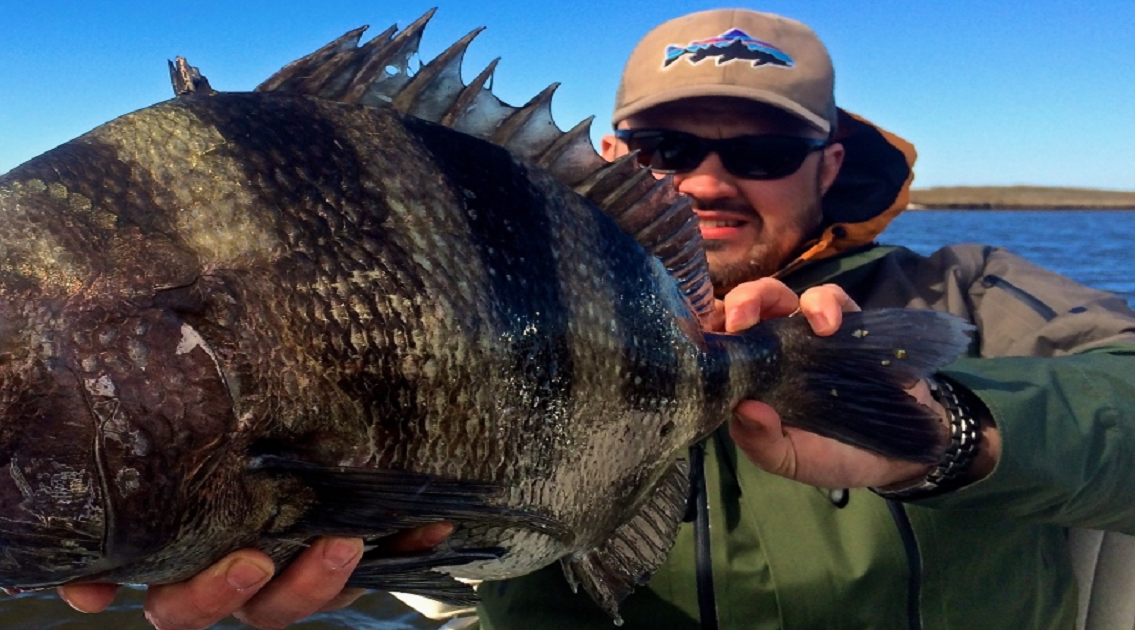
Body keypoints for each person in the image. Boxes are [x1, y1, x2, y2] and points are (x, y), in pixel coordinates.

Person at [57, 8, 1135, 629]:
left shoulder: (971, 289)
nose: (711, 183)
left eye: (759, 154)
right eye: (672, 151)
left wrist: (946, 434)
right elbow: (442, 534)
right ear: (616, 164)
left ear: (831, 164)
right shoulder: (492, 288)